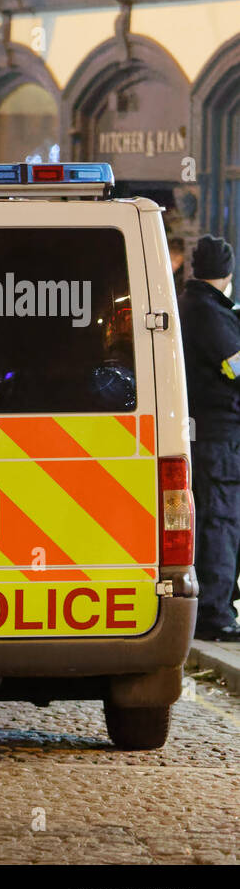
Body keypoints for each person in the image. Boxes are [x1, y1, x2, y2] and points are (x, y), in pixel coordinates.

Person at [179, 235, 240, 642]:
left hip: (203, 431)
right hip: (219, 435)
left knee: (209, 519)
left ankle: (213, 603)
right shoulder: (208, 311)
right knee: (220, 519)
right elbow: (235, 366)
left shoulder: (186, 304)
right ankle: (215, 614)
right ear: (227, 274)